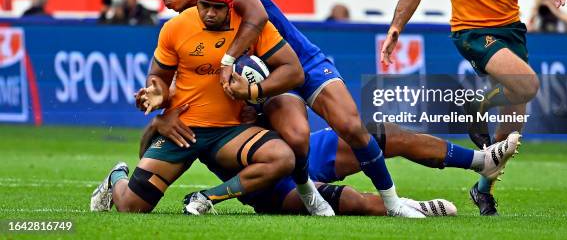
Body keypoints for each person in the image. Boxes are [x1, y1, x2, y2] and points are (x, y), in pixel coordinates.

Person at [148, 0, 428, 217]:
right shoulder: (185, 26)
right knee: (296, 136)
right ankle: (308, 191)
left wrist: (230, 64)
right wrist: (162, 113)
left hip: (296, 62)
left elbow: (257, 17)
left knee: (354, 128)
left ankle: (396, 203)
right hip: (266, 82)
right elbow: (186, 86)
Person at [380, 0, 567, 216]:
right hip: (471, 31)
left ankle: (482, 190)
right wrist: (396, 27)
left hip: (511, 28)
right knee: (526, 84)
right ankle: (477, 107)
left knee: (509, 137)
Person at [90, 0, 302, 215]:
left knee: (282, 158)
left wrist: (253, 90)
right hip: (182, 129)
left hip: (230, 133)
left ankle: (206, 198)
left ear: (230, 4)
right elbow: (158, 76)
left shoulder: (251, 28)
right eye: (204, 5)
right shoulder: (176, 27)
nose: (210, 13)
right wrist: (157, 93)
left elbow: (294, 71)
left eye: (218, 7)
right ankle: (117, 176)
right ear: (197, 0)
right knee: (131, 207)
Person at [149, 107, 520, 216]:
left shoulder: (259, 76)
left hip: (303, 151)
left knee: (380, 133)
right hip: (269, 186)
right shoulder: (198, 111)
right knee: (355, 203)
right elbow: (155, 145)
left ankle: (480, 160)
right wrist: (156, 122)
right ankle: (411, 208)